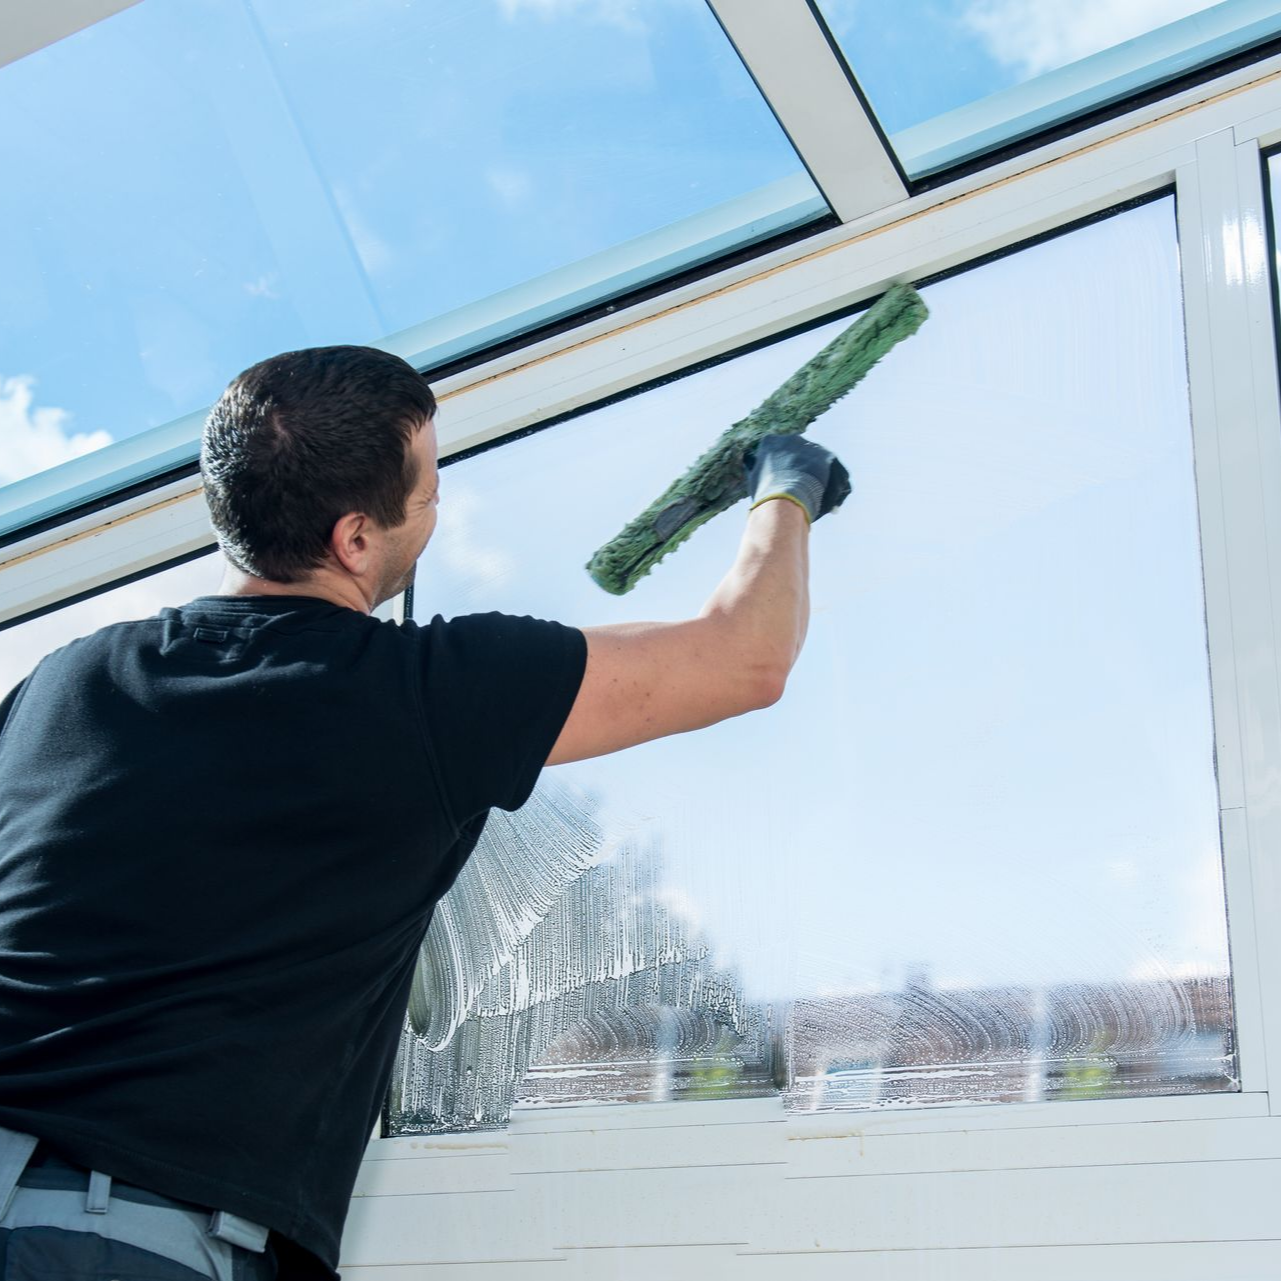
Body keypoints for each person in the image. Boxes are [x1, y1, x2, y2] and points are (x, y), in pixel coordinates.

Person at [0, 346, 849, 1279]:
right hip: (116, 1243)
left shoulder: (62, 680)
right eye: (430, 488)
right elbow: (740, 658)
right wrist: (787, 485)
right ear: (355, 539)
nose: (439, 511)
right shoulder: (424, 695)